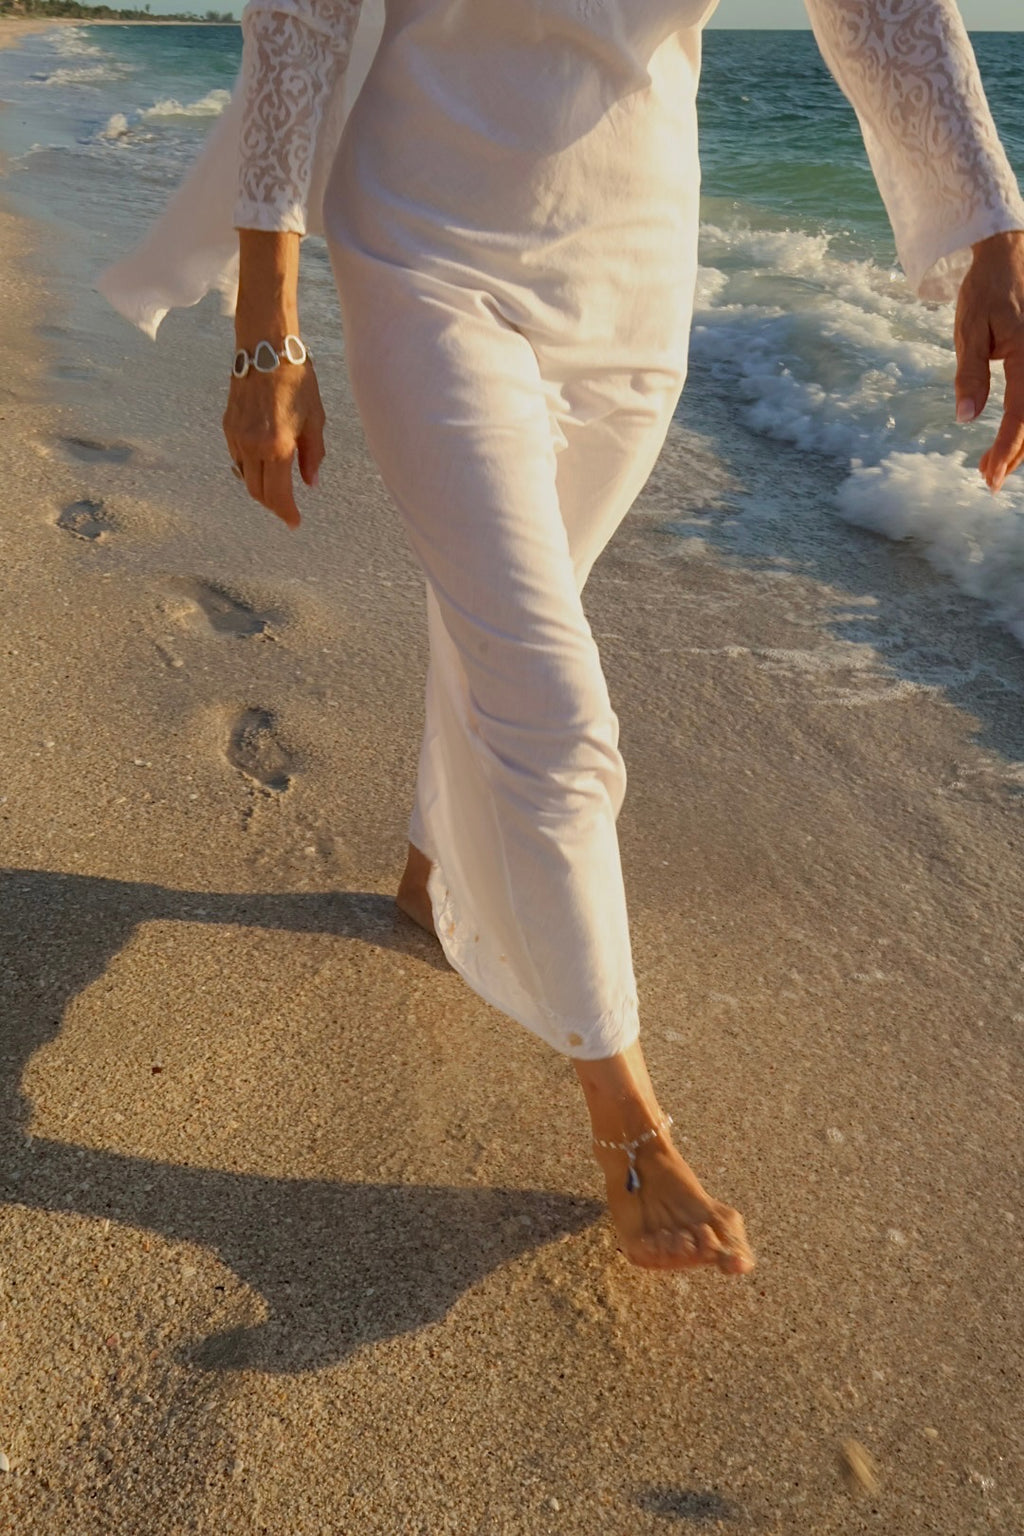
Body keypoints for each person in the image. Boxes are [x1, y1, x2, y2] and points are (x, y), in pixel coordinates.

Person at [99, 0, 1024, 1275]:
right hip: (425, 247)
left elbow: (882, 8)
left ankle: (433, 868)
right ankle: (628, 1125)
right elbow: (300, 27)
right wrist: (269, 328)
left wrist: (989, 226)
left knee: (508, 617)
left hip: (635, 280)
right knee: (548, 694)